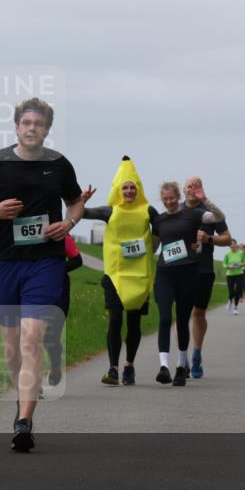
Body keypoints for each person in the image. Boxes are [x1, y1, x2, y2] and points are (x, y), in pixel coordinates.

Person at [0, 97, 84, 452]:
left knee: (31, 338)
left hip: (45, 262)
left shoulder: (59, 165)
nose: (32, 129)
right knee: (11, 347)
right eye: (26, 123)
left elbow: (76, 200)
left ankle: (24, 419)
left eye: (39, 124)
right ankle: (26, 390)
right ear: (17, 126)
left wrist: (68, 223)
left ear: (47, 129)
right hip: (4, 262)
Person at [81, 156, 157, 386]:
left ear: (139, 189)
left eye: (133, 187)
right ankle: (113, 368)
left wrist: (155, 246)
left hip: (139, 276)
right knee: (115, 320)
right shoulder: (109, 211)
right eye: (125, 187)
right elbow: (83, 214)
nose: (129, 191)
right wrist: (80, 201)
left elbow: (166, 227)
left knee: (133, 323)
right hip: (114, 275)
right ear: (118, 189)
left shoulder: (148, 211)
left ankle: (129, 366)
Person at [151, 181, 225, 386]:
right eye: (165, 199)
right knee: (165, 318)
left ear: (178, 196)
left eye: (171, 198)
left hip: (188, 273)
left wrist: (204, 200)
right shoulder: (159, 220)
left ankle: (181, 365)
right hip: (165, 274)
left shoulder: (193, 215)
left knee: (183, 321)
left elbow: (219, 217)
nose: (168, 202)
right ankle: (164, 366)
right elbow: (153, 246)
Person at [185, 176, 232, 378]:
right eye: (189, 185)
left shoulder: (210, 213)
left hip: (203, 269)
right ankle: (182, 358)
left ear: (202, 190)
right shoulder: (177, 210)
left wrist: (210, 238)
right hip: (181, 268)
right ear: (184, 188)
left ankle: (196, 353)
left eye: (196, 186)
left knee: (198, 313)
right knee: (182, 313)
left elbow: (228, 239)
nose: (192, 189)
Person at [44, 234, 83, 388]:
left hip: (58, 288)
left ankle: (55, 365)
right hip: (30, 288)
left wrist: (53, 270)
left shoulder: (59, 233)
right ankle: (33, 383)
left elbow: (77, 260)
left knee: (50, 336)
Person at [223, 240, 245, 314]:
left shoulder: (241, 253)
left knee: (237, 291)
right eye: (231, 244)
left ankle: (235, 308)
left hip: (239, 274)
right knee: (231, 291)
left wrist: (241, 264)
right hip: (230, 274)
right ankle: (230, 301)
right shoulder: (227, 254)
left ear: (236, 245)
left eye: (234, 244)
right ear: (229, 246)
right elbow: (224, 264)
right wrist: (228, 266)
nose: (233, 245)